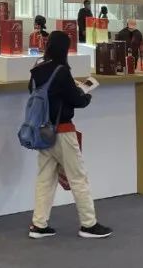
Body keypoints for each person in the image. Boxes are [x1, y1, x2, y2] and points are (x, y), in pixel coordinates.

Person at [28, 31, 113, 240]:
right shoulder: (62, 71)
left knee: (45, 178)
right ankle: (88, 224)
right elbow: (77, 101)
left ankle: (39, 224)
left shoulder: (37, 68)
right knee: (78, 177)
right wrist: (85, 94)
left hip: (43, 131)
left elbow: (33, 91)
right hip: (64, 131)